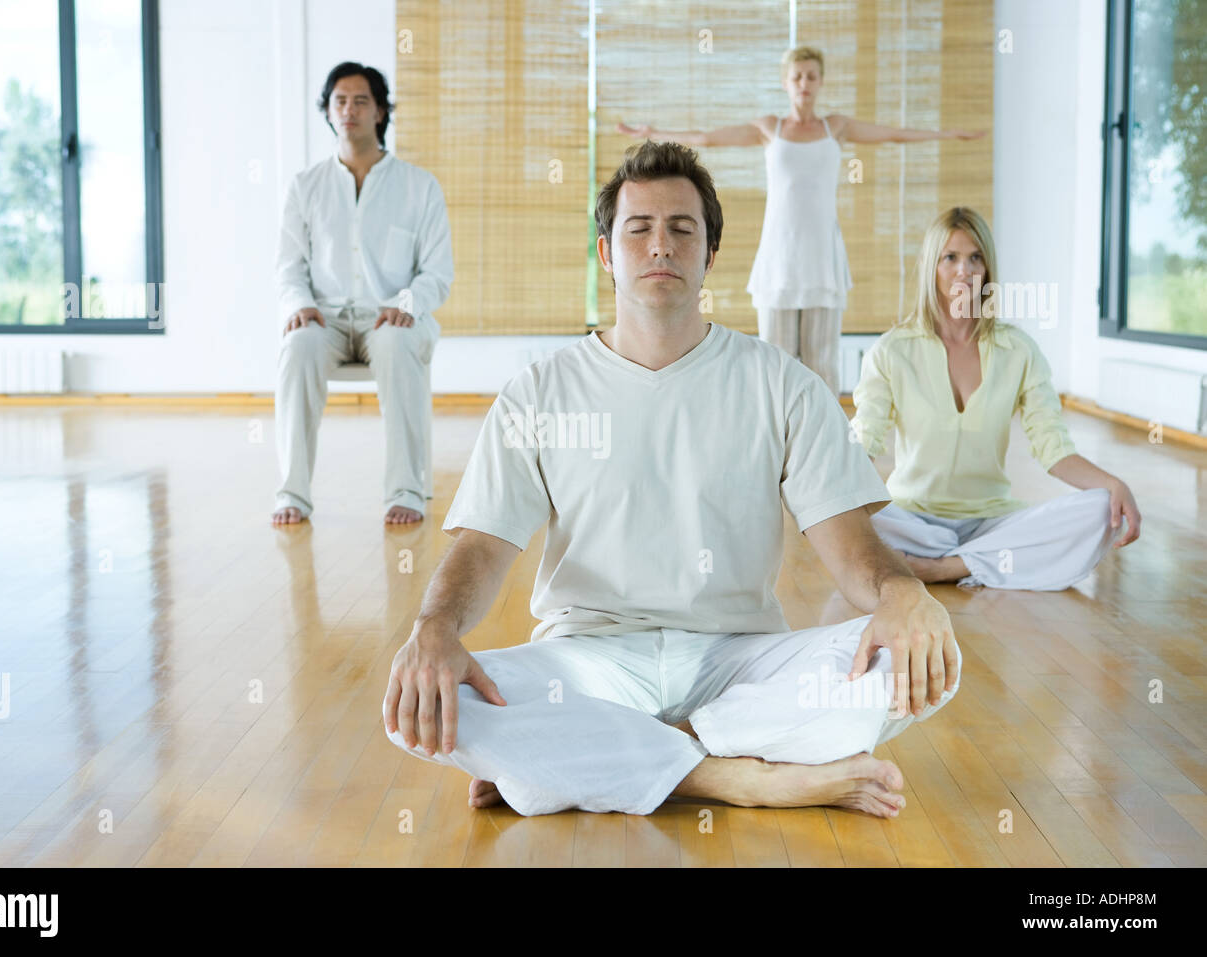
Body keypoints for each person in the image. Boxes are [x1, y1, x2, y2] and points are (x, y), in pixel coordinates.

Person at [380, 141, 962, 819]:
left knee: (921, 657)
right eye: (640, 228)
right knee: (431, 698)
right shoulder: (538, 393)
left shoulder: (781, 385)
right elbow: (481, 548)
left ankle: (579, 768)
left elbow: (852, 548)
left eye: (683, 230)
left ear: (709, 254)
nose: (661, 245)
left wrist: (904, 594)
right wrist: (434, 627)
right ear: (607, 252)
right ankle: (732, 776)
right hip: (589, 658)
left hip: (738, 657)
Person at [619, 45, 984, 395]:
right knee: (774, 360)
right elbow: (707, 139)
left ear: (821, 81)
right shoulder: (769, 128)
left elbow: (893, 134)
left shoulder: (835, 127)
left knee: (821, 362)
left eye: (811, 77)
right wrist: (652, 132)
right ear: (786, 83)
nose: (804, 84)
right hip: (780, 256)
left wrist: (947, 134)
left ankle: (826, 447)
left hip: (822, 257)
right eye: (797, 77)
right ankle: (774, 445)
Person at [850, 206, 1141, 590]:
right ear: (930, 267)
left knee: (1101, 509)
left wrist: (1114, 484)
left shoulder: (1018, 350)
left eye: (975, 258)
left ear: (988, 268)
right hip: (911, 520)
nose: (963, 271)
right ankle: (975, 561)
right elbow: (863, 441)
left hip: (992, 522)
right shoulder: (891, 350)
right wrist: (817, 488)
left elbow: (1053, 448)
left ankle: (946, 566)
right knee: (850, 512)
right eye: (950, 258)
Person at [273, 62, 452, 527]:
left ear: (380, 112)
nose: (348, 109)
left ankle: (406, 491)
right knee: (296, 347)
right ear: (328, 112)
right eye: (339, 101)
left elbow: (437, 272)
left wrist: (406, 303)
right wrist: (299, 305)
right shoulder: (304, 186)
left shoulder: (419, 186)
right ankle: (292, 492)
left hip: (391, 318)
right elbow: (288, 266)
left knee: (396, 342)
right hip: (325, 318)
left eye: (360, 101)